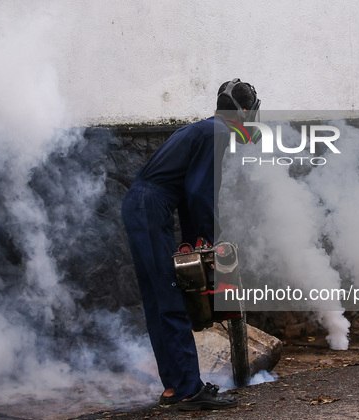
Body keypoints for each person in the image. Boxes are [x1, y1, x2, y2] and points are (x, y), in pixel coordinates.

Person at [121, 79, 260, 411]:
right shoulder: (220, 134)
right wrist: (205, 243)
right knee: (170, 298)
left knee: (159, 300)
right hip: (151, 207)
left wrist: (195, 242)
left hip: (141, 205)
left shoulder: (204, 129)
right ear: (244, 112)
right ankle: (188, 390)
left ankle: (174, 386)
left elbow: (189, 191)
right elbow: (200, 194)